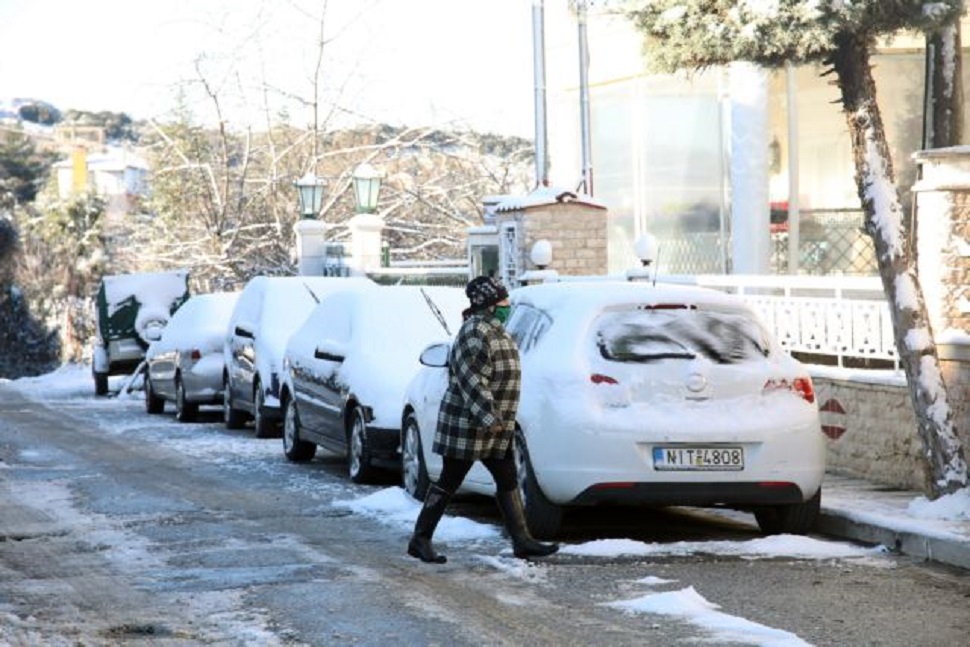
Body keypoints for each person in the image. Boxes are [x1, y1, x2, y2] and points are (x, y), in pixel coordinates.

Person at [407, 276, 560, 564]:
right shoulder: (475, 331)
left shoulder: (496, 329)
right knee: (450, 480)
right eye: (502, 301)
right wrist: (490, 416)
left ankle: (522, 540)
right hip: (470, 425)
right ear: (488, 305)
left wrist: (498, 420)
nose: (507, 305)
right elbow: (471, 380)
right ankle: (420, 539)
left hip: (494, 425)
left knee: (507, 478)